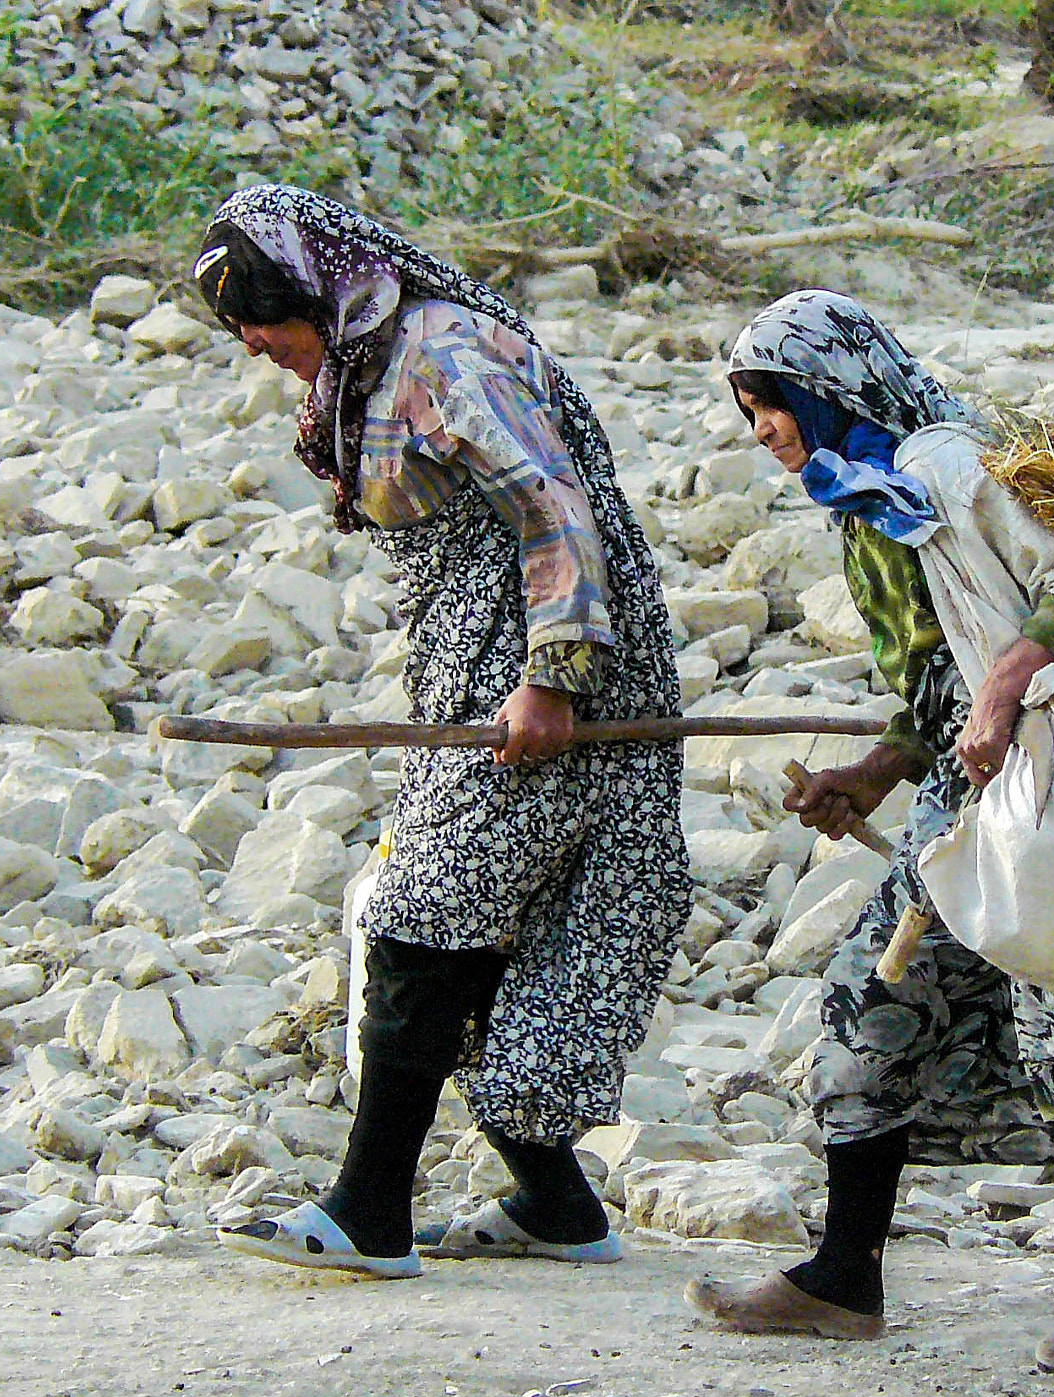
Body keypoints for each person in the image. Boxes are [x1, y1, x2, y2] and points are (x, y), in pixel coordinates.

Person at [684, 290, 1054, 1372]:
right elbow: (936, 677)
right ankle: (844, 1280)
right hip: (960, 799)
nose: (761, 434)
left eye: (769, 405)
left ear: (827, 388)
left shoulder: (949, 464)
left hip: (1040, 796)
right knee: (866, 1009)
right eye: (748, 413)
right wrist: (874, 771)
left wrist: (998, 697)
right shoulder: (870, 499)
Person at [192, 185, 689, 1278]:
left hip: (552, 669)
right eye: (237, 326)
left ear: (313, 289)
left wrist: (552, 679)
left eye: (262, 314)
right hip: (473, 663)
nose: (254, 341)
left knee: (424, 912)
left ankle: (368, 1213)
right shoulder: (365, 361)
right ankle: (556, 1208)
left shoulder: (443, 354)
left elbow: (553, 509)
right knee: (472, 924)